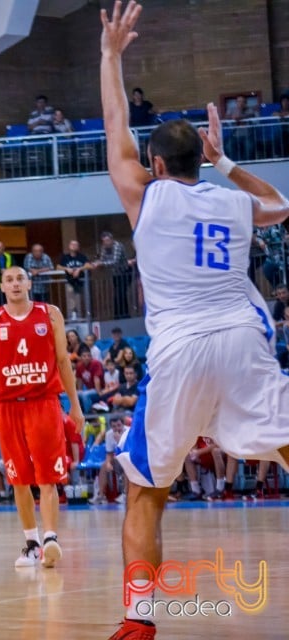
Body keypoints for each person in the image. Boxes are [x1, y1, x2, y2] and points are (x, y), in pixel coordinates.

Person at [99, 3, 289, 637]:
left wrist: (110, 55)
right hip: (241, 337)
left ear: (157, 166)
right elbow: (281, 205)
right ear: (197, 162)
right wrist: (227, 161)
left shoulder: (145, 197)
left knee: (148, 490)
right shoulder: (233, 203)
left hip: (180, 348)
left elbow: (115, 127)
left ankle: (139, 622)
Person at [0, 266, 83, 569]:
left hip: (43, 403)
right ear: (2, 287)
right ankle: (32, 543)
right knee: (18, 480)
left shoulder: (50, 313)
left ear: (29, 283)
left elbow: (62, 362)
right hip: (9, 408)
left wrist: (75, 405)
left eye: (20, 278)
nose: (15, 284)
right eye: (9, 280)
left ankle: (51, 539)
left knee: (47, 478)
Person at [57, 240, 91, 319]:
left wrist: (79, 269)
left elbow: (88, 265)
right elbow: (58, 267)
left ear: (78, 247)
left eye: (76, 245)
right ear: (69, 246)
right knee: (71, 300)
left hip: (80, 282)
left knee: (80, 300)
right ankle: (72, 317)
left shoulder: (81, 257)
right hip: (69, 281)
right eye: (72, 244)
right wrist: (67, 269)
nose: (74, 246)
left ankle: (81, 317)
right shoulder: (65, 257)